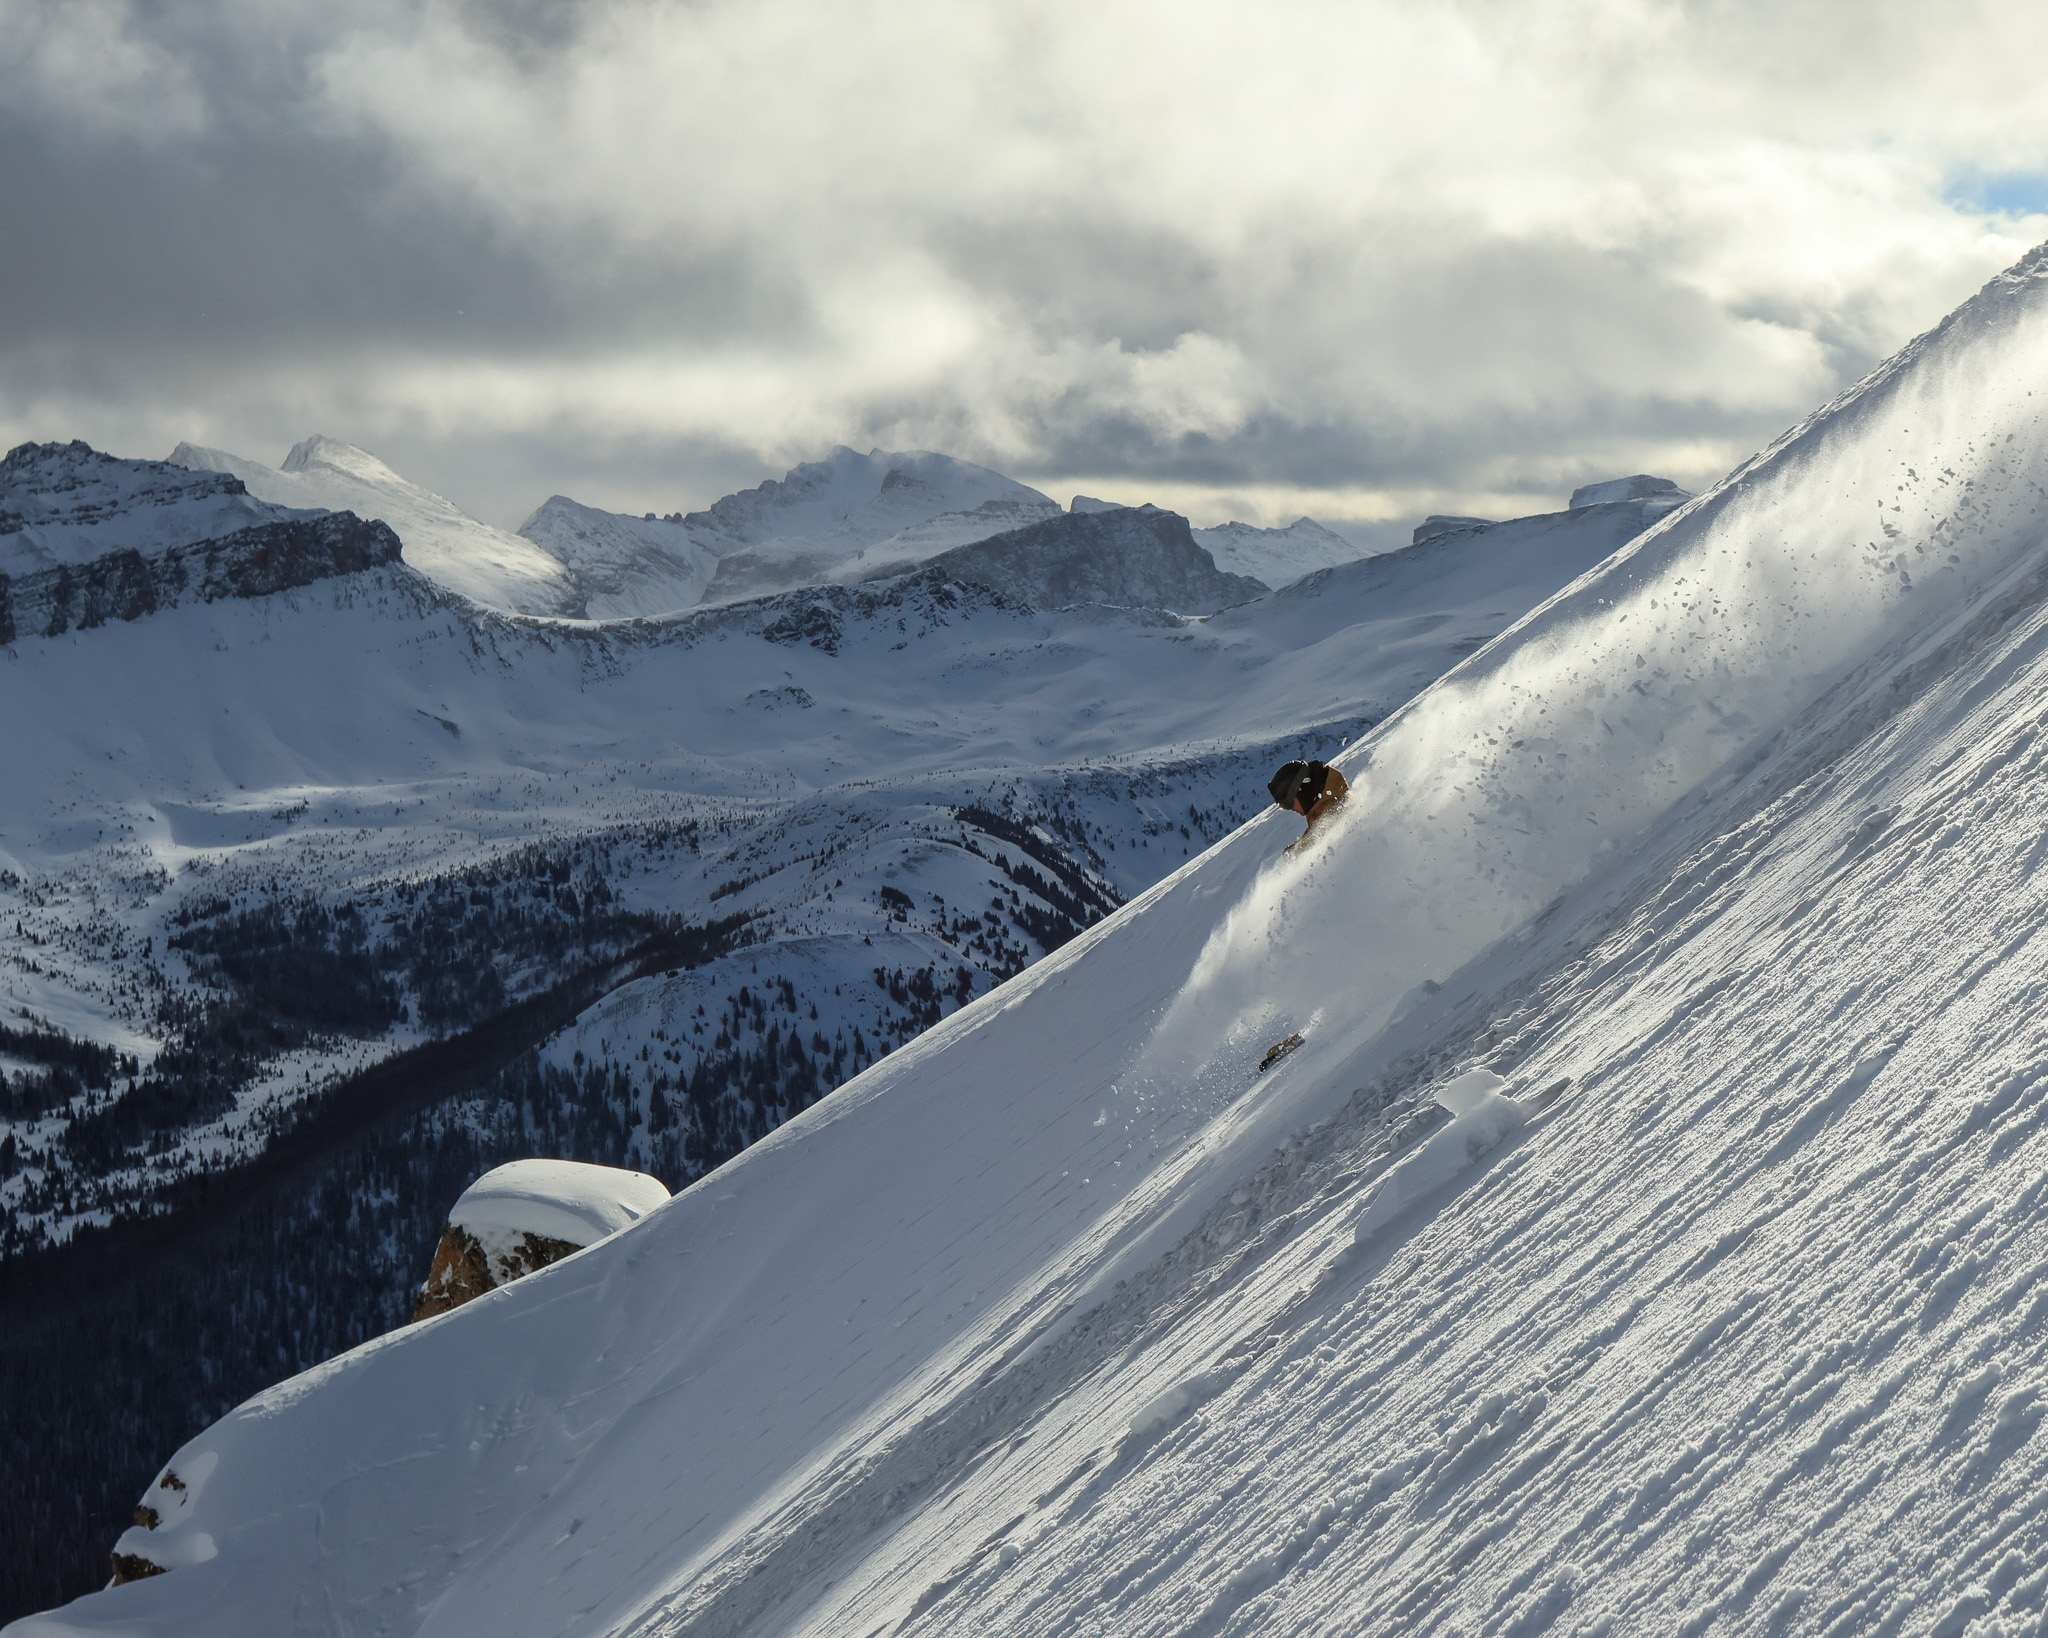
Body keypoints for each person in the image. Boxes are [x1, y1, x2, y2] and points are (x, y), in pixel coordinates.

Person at [1268, 758, 1349, 846]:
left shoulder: (1335, 811)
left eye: (1287, 804)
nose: (1291, 809)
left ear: (1302, 792)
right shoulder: (1321, 811)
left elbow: (1315, 841)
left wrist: (1295, 853)